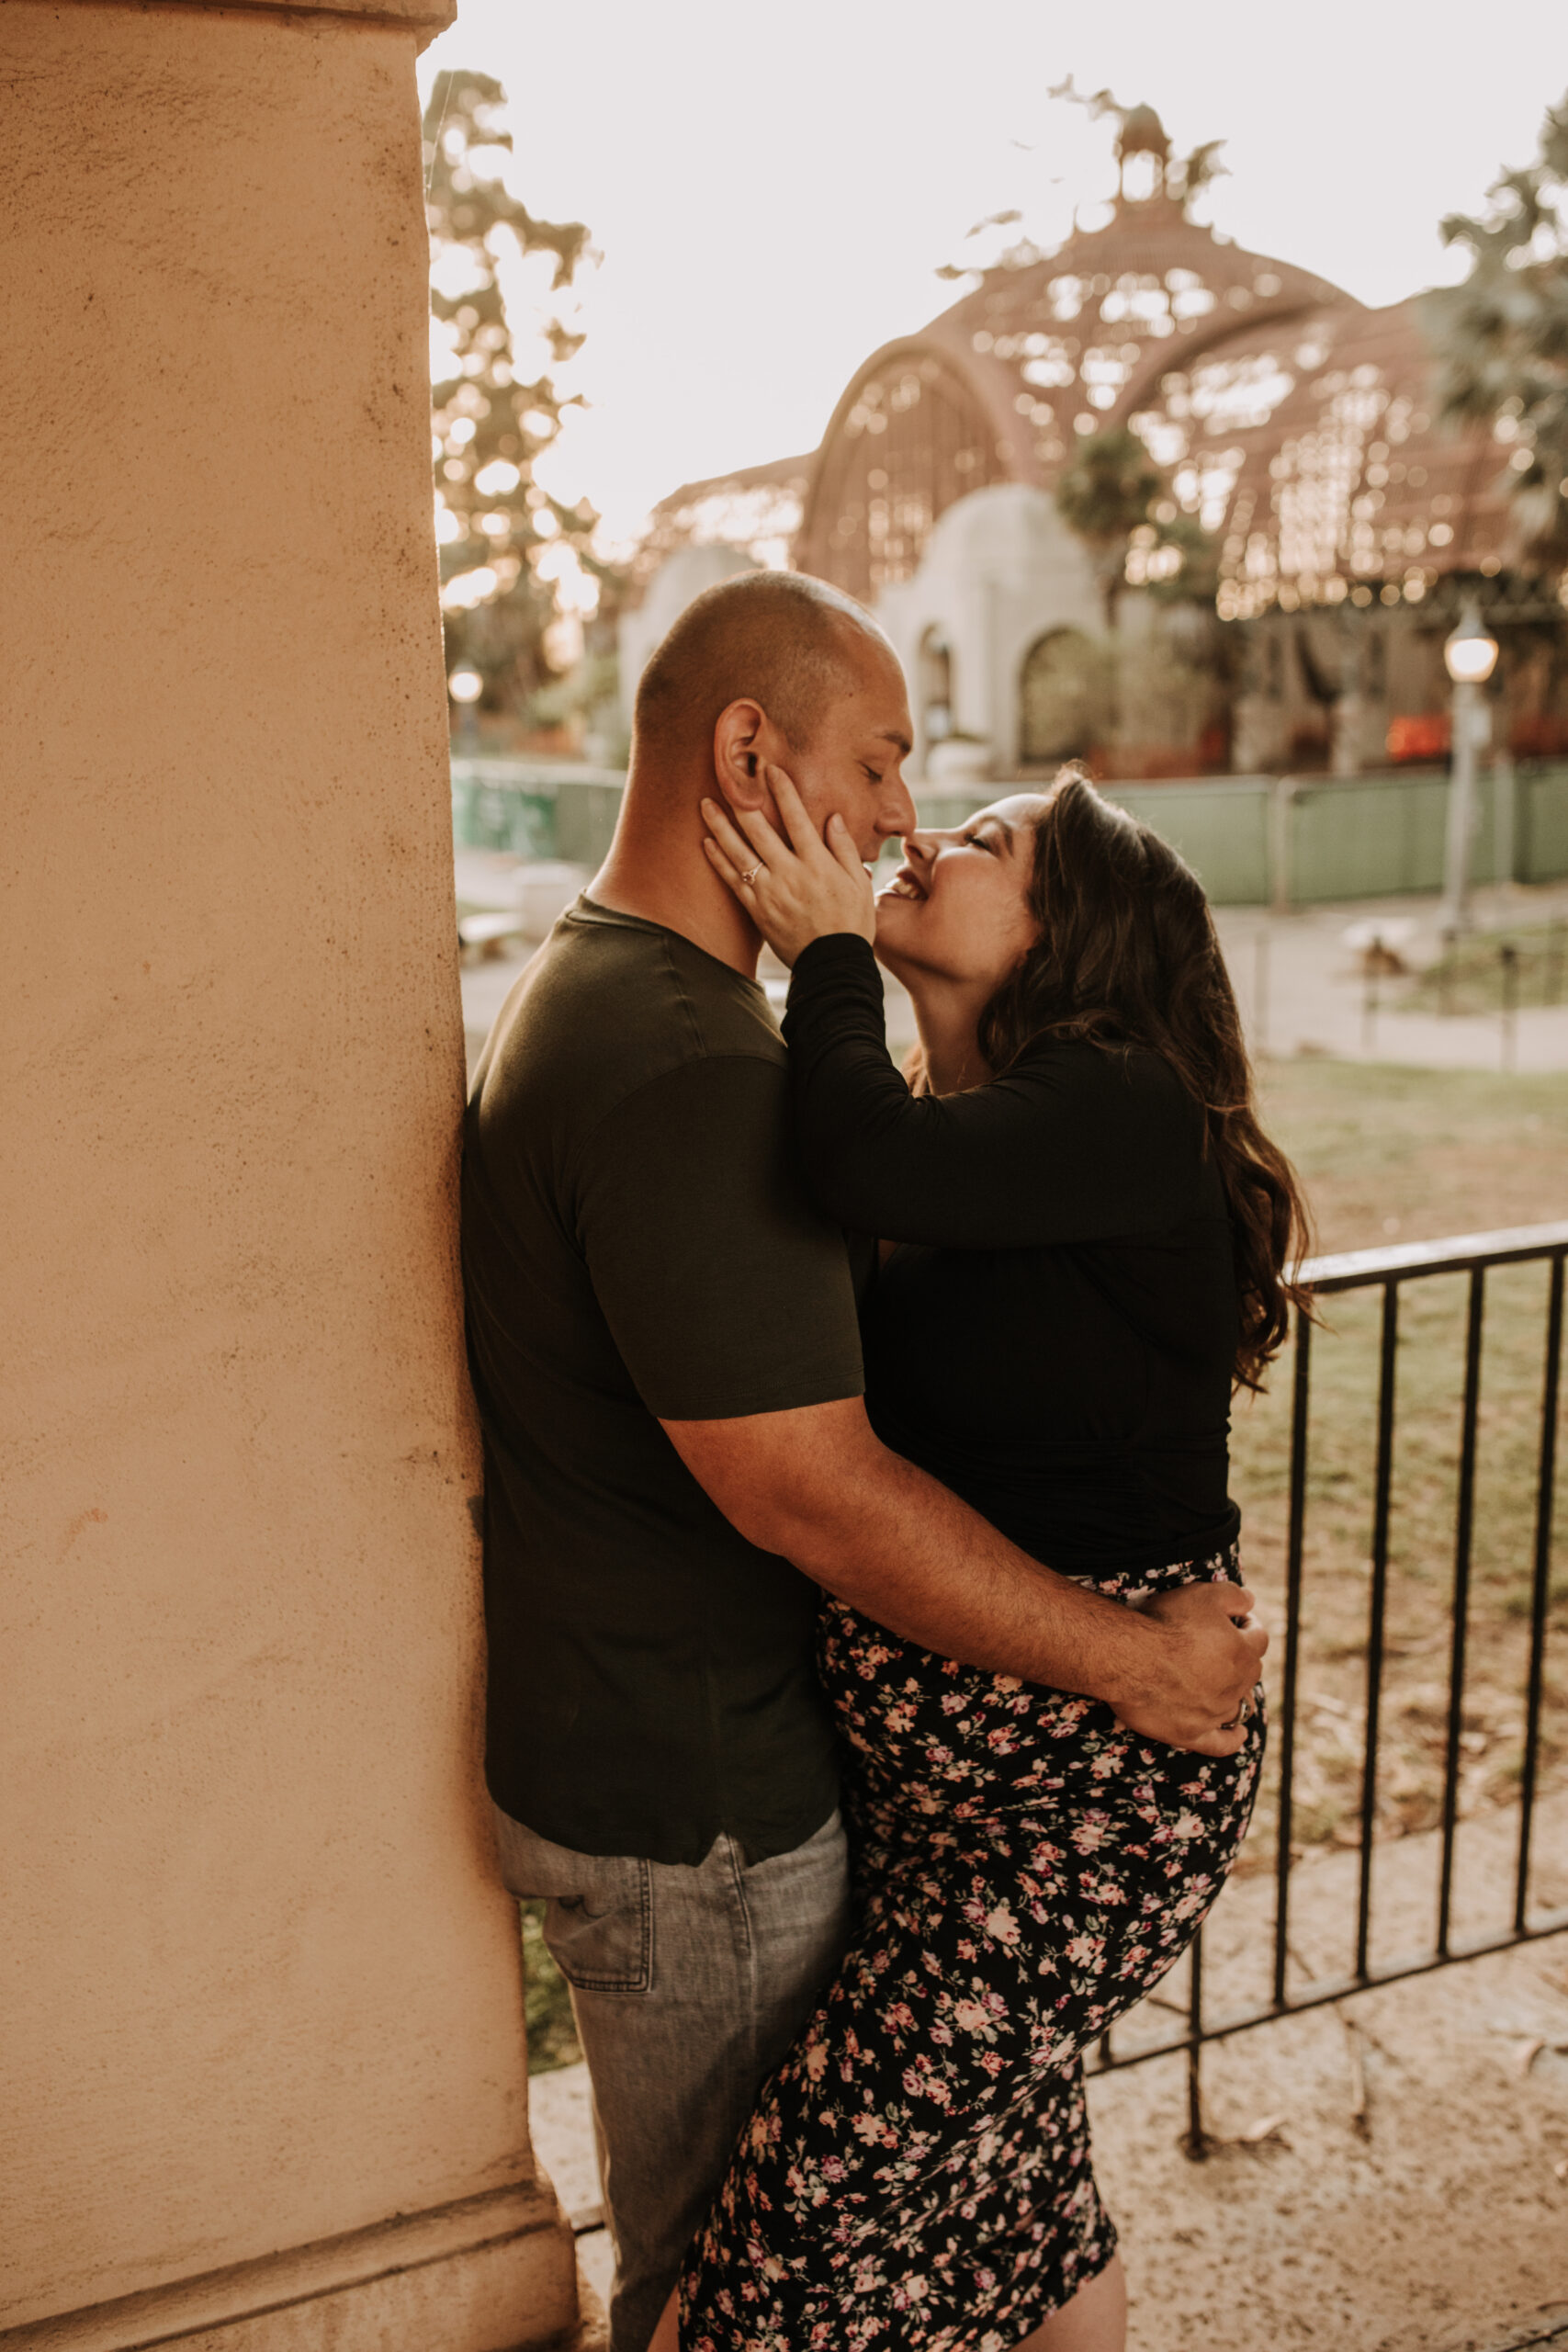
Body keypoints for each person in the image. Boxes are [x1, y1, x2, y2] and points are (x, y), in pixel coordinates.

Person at [458, 571, 1267, 2352]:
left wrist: (1146, 1659)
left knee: (851, 2225)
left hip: (1038, 1785)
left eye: (953, 816)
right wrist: (1128, 1654)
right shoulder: (695, 1065)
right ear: (747, 750)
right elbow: (812, 1476)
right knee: (922, 2217)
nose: (903, 816)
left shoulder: (1067, 1104)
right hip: (747, 1799)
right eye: (890, 764)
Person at [657, 765, 1308, 2352]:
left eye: (992, 840)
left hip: (1086, 1808)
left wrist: (820, 950)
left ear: (1066, 936)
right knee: (1013, 2190)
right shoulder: (993, 1138)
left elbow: (862, 1159)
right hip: (947, 1803)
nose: (926, 835)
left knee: (790, 2241)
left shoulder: (1126, 1096)